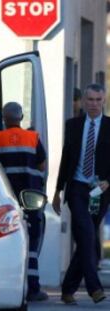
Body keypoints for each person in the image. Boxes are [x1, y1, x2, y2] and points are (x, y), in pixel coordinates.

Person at [52, 83, 110, 305]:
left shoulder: (109, 126)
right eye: (90, 100)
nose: (94, 104)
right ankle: (94, 288)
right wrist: (58, 190)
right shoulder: (73, 125)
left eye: (98, 100)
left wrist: (108, 181)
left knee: (88, 238)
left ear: (103, 100)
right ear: (83, 102)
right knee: (86, 235)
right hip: (77, 187)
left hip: (100, 192)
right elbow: (66, 158)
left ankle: (68, 289)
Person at [0, 102, 48, 302]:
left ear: (4, 119)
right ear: (21, 117)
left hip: (6, 199)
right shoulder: (33, 138)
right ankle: (33, 288)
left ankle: (6, 287)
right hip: (30, 198)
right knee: (31, 242)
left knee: (6, 240)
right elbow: (42, 165)